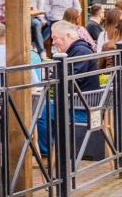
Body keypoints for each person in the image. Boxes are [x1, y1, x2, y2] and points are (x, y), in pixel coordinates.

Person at [36, 21, 99, 154]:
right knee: (43, 107)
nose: (53, 42)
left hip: (80, 108)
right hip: (77, 103)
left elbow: (69, 81)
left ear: (68, 35)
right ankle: (54, 150)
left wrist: (51, 78)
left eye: (55, 38)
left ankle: (49, 153)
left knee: (40, 111)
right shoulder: (77, 50)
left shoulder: (80, 51)